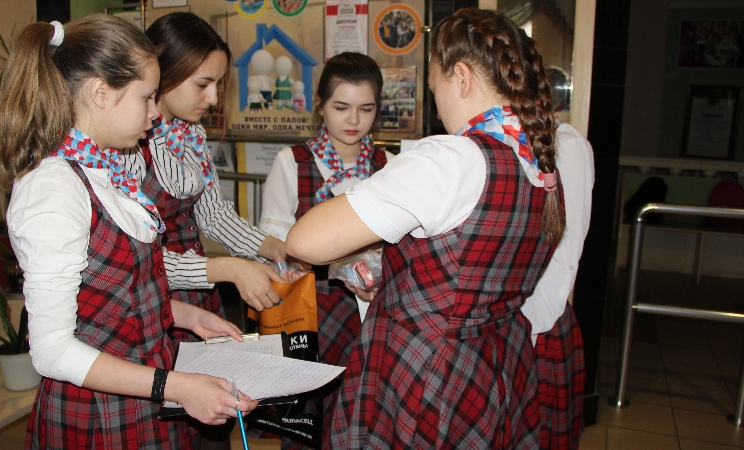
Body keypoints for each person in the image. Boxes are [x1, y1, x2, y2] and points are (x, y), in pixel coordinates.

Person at [285, 8, 566, 448]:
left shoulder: (449, 159)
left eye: (435, 88)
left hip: (423, 369)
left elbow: (304, 241)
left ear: (461, 77)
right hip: (495, 362)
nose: (437, 104)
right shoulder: (539, 163)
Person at [0, 16, 257, 449]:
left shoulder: (105, 168)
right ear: (101, 93)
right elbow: (52, 350)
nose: (155, 112)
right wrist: (174, 386)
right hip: (101, 410)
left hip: (144, 390)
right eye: (146, 97)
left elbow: (110, 297)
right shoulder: (53, 188)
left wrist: (184, 315)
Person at [116, 12, 286, 449]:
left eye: (218, 84)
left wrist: (275, 248)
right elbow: (139, 261)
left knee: (213, 419)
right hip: (157, 302)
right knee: (172, 422)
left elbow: (213, 215)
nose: (212, 98)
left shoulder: (188, 134)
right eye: (202, 84)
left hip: (197, 294)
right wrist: (226, 269)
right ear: (163, 73)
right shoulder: (129, 143)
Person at [258, 52, 392, 448]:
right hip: (312, 310)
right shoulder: (293, 162)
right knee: (308, 420)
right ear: (320, 104)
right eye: (341, 107)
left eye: (366, 109)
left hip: (373, 309)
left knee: (363, 415)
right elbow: (273, 242)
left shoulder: (388, 165)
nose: (354, 120)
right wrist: (333, 265)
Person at [522, 122, 594, 449]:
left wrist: (531, 326)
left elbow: (564, 253)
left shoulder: (565, 144)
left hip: (535, 324)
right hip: (504, 324)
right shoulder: (481, 138)